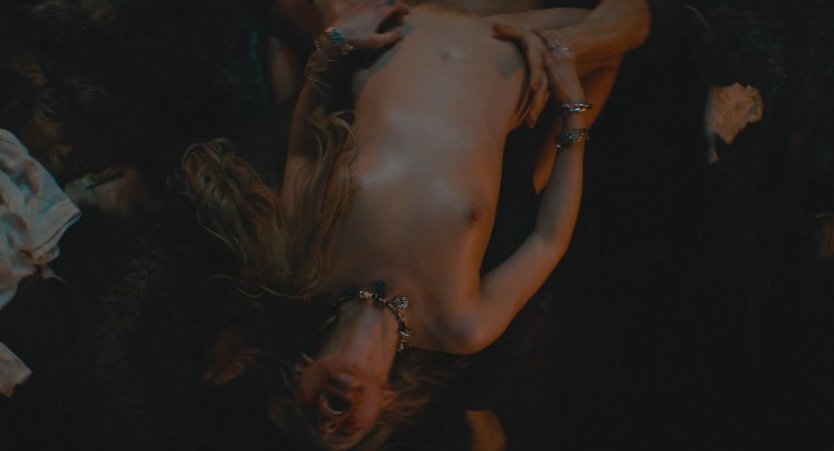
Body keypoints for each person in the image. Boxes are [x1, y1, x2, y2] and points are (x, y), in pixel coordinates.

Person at [184, 1, 648, 449]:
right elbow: (548, 240)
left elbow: (302, 151)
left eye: (308, 422)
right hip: (507, 48)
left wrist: (332, 45)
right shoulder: (459, 326)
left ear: (302, 370)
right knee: (634, 23)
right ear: (386, 403)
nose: (328, 421)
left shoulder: (307, 268)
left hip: (402, 22)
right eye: (343, 437)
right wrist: (571, 109)